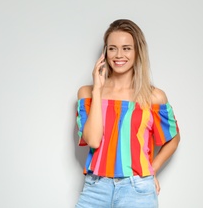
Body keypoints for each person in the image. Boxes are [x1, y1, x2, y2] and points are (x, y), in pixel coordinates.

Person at [75, 19, 180, 208]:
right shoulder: (88, 93)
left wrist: (151, 170)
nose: (119, 55)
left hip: (137, 189)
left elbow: (173, 138)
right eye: (112, 48)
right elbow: (93, 140)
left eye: (126, 48)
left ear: (137, 51)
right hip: (95, 188)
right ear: (105, 52)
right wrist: (97, 89)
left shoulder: (153, 97)